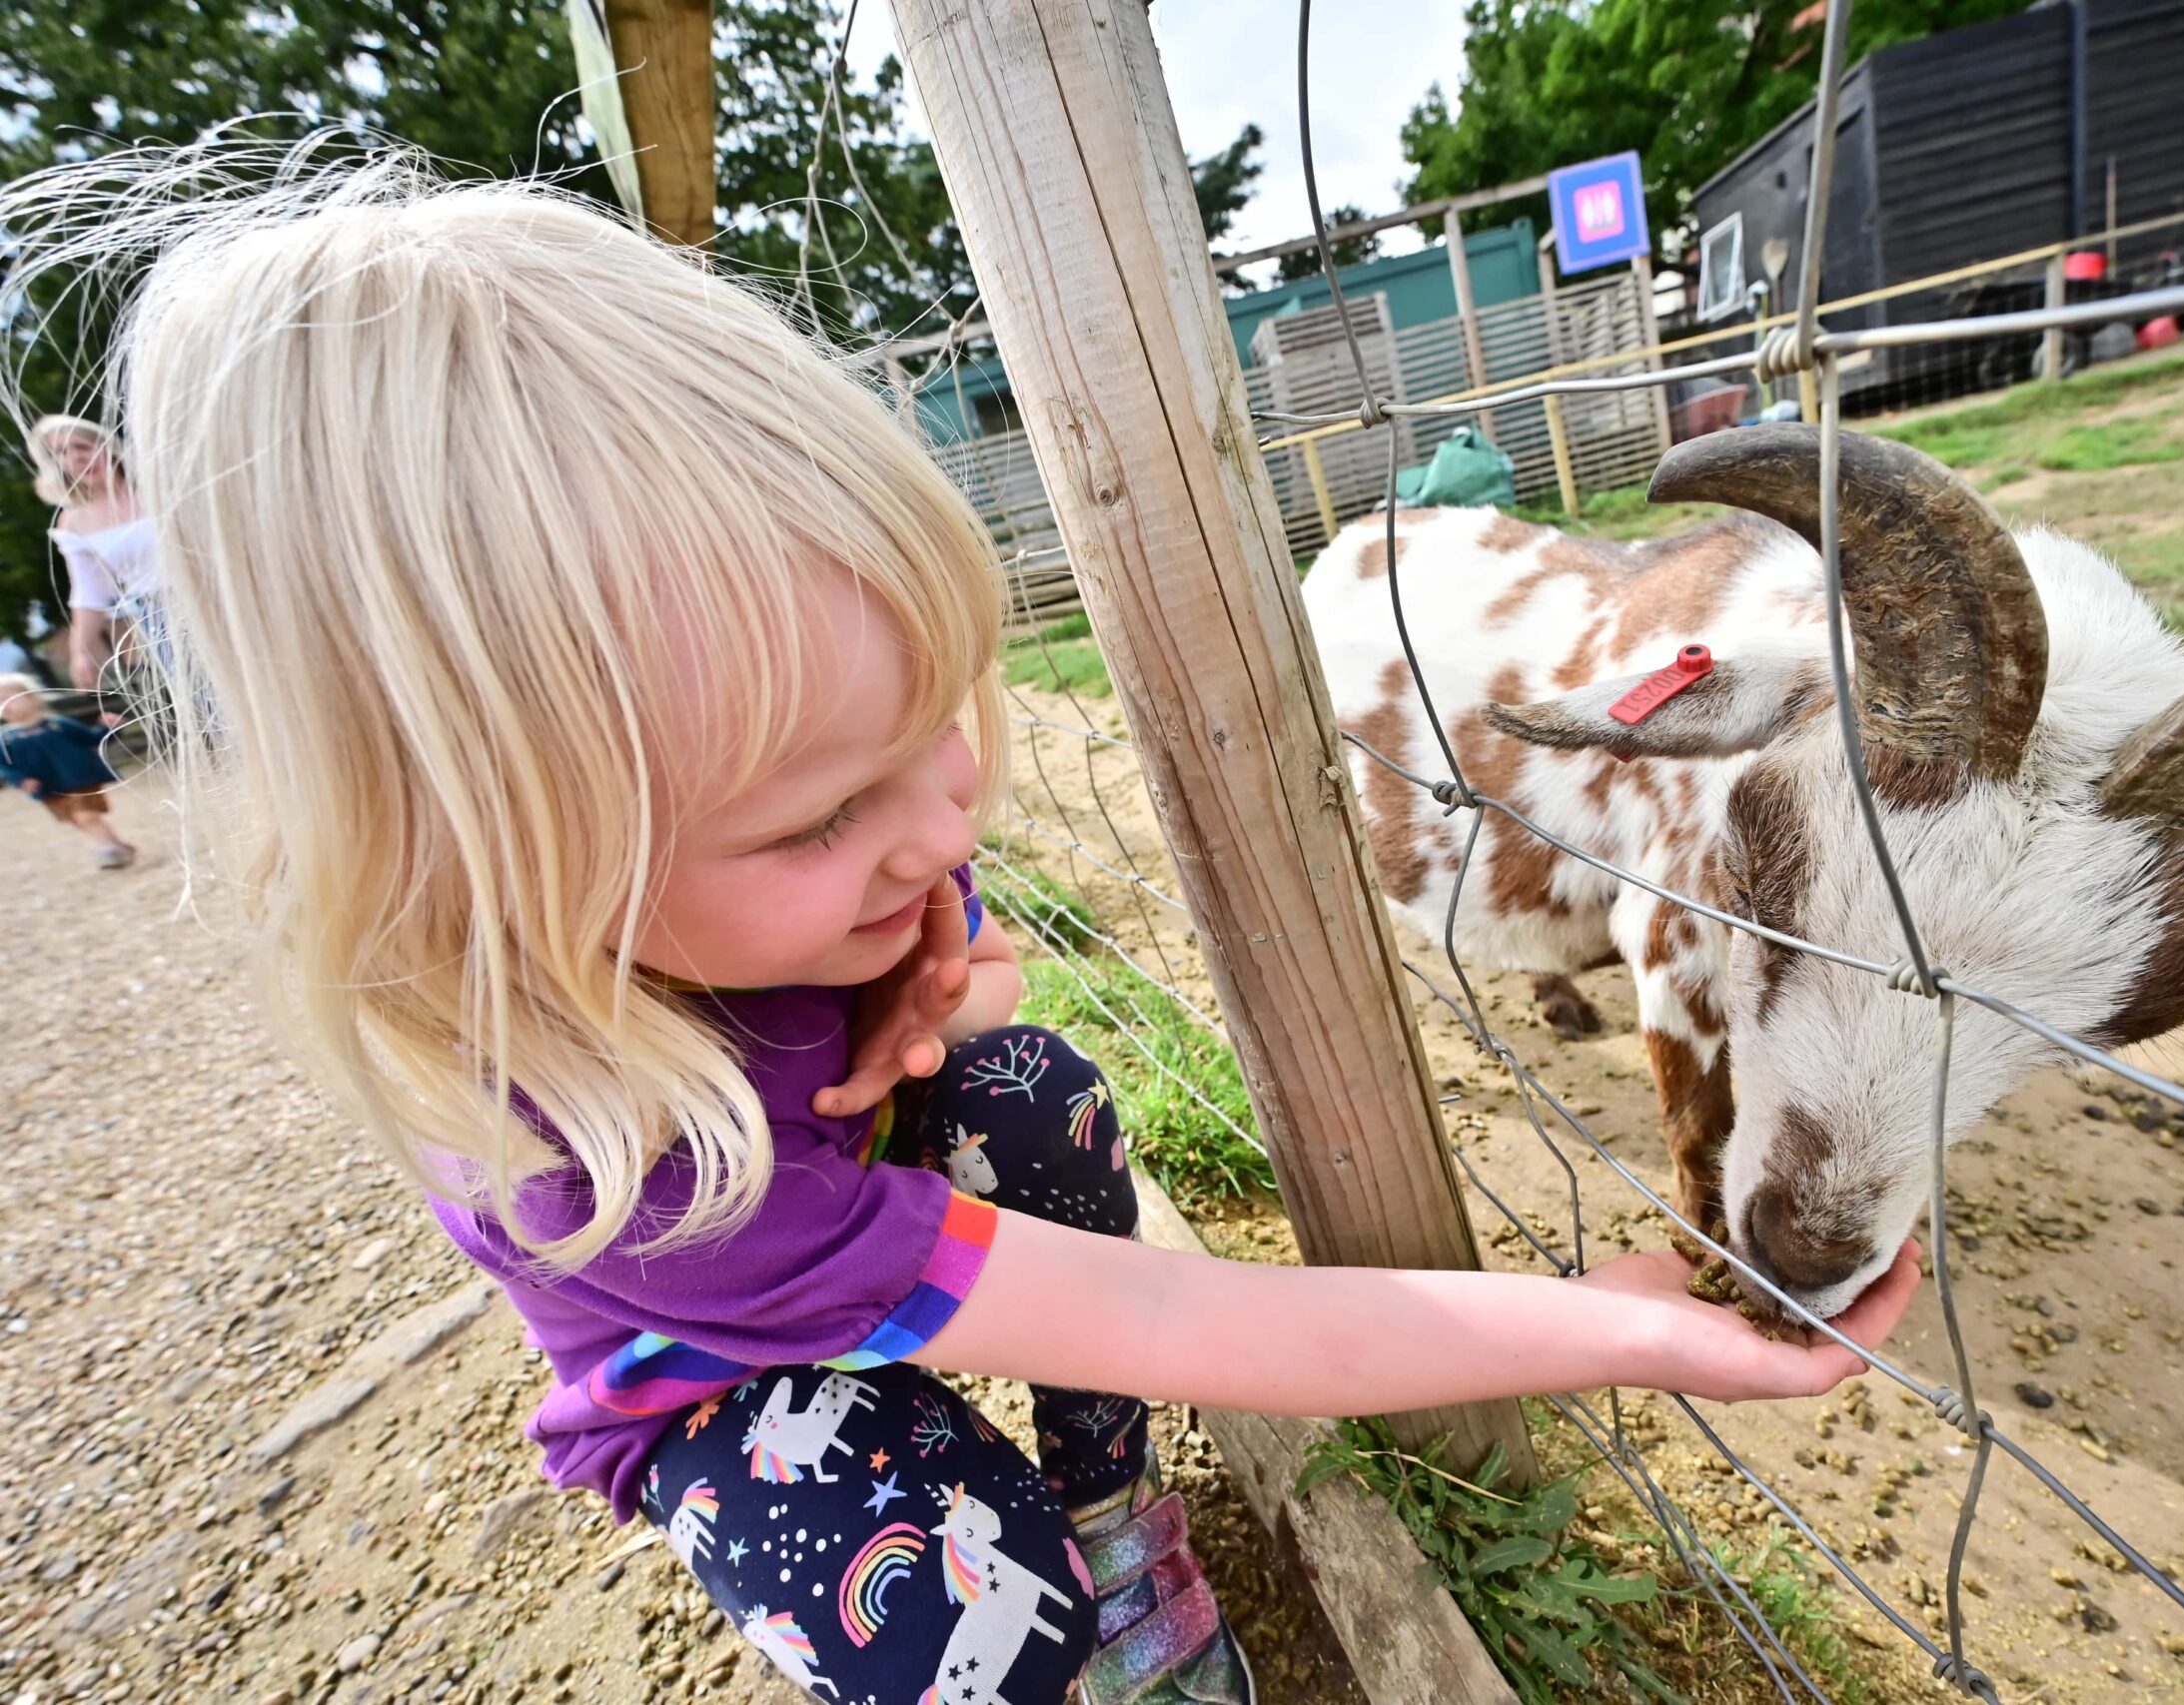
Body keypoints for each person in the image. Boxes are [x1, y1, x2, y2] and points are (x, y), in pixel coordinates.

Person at [16, 152, 1920, 1705]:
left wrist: (930, 973)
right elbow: (1187, 1308)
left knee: (1030, 1082)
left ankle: (1111, 1517)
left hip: (859, 1206)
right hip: (726, 1383)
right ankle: (1046, 1611)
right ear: (504, 870)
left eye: (935, 714)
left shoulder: (778, 856)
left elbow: (926, 912)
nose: (943, 820)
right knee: (957, 1621)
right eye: (827, 809)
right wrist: (1605, 1325)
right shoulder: (644, 1167)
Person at [26, 416, 161, 693]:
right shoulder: (74, 522)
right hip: (158, 617)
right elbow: (89, 593)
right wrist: (81, 652)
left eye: (82, 446)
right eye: (62, 453)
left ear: (105, 446)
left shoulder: (155, 487)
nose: (76, 457)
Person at [0, 672, 136, 868]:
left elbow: (92, 740)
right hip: (49, 787)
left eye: (7, 699)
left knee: (86, 816)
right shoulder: (6, 739)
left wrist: (110, 728)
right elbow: (5, 766)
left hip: (79, 779)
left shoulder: (59, 725)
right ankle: (117, 846)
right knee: (78, 820)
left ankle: (110, 851)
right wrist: (20, 780)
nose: (3, 706)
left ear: (33, 698)